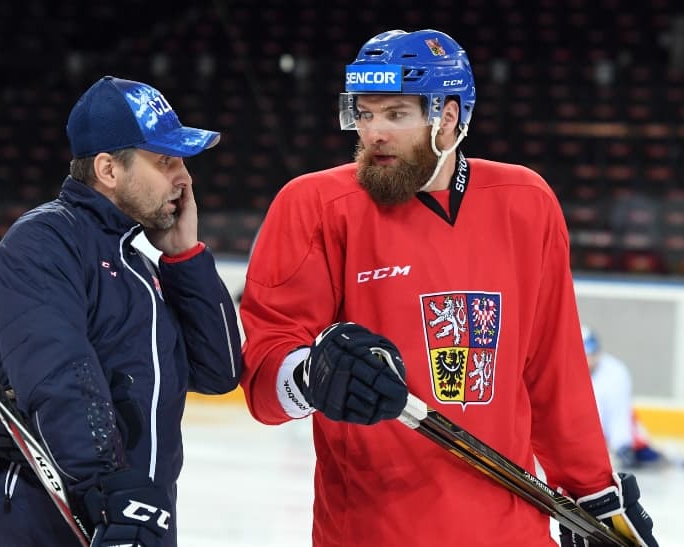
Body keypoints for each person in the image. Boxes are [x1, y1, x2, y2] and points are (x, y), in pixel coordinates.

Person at [238, 29, 657, 546]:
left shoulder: (525, 202)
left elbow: (554, 369)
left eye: (396, 114)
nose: (375, 134)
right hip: (375, 530)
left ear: (449, 117)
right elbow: (264, 382)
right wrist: (310, 377)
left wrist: (594, 495)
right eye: (365, 114)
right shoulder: (314, 206)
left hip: (515, 530)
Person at [0, 75, 243, 547]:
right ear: (109, 169)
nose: (185, 179)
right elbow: (63, 379)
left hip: (130, 520)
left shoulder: (136, 260)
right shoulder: (44, 244)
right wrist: (112, 493)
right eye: (166, 161)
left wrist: (185, 256)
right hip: (51, 525)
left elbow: (220, 370)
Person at [582, 324, 664, 470]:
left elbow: (618, 413)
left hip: (618, 441)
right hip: (585, 441)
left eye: (590, 354)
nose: (587, 360)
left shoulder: (615, 371)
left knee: (650, 458)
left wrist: (622, 446)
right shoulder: (564, 371)